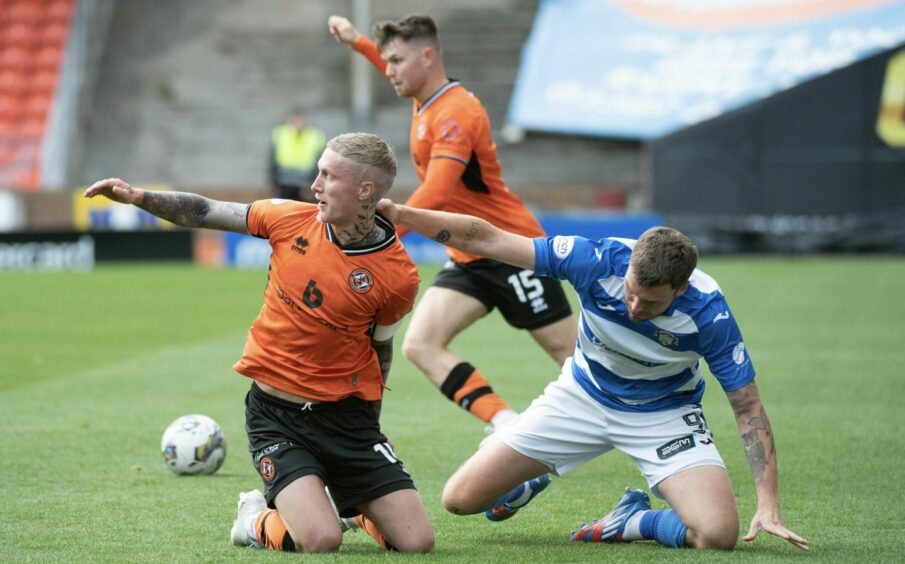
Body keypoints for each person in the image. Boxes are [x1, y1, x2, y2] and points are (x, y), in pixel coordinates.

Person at [375, 198, 810, 552]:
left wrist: (768, 504)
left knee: (717, 537)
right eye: (631, 292)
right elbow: (485, 237)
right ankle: (529, 469)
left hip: (663, 413)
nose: (634, 308)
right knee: (459, 500)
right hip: (580, 396)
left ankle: (635, 520)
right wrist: (405, 216)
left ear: (681, 289)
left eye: (651, 304)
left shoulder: (709, 314)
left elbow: (748, 407)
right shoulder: (595, 260)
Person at [84, 133, 435, 554]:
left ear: (365, 191)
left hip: (348, 420)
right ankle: (253, 518)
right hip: (278, 417)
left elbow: (380, 350)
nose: (315, 185)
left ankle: (353, 501)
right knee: (322, 541)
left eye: (328, 176)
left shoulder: (398, 276)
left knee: (416, 544)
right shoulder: (287, 218)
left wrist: (371, 425)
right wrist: (139, 197)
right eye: (317, 172)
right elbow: (205, 210)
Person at [327, 13, 577, 433]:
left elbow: (439, 192)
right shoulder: (425, 98)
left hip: (510, 248)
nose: (388, 71)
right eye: (385, 61)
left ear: (427, 57)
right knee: (421, 344)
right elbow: (392, 65)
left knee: (573, 360)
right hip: (468, 253)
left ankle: (651, 428)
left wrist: (380, 232)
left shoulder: (455, 113)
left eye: (397, 62)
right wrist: (356, 41)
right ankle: (506, 425)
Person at [269, 107, 326, 203]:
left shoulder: (315, 136)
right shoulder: (280, 133)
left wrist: (314, 183)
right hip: (284, 180)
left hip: (305, 182)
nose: (298, 123)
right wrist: (273, 182)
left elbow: (320, 162)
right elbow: (272, 160)